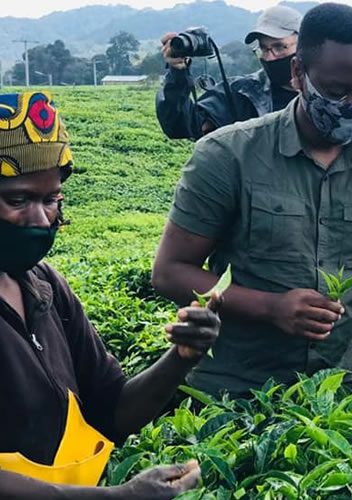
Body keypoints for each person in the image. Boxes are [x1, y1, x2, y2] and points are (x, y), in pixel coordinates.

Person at [151, 3, 352, 398]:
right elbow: (170, 271)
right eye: (337, 91)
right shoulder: (227, 155)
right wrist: (269, 307)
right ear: (298, 74)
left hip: (336, 396)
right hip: (230, 393)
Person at [0, 91, 221, 497]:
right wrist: (115, 498)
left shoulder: (44, 286)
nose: (39, 219)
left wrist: (181, 358)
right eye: (17, 200)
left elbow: (111, 410)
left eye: (51, 200)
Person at [156, 5, 303, 139]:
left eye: (279, 47)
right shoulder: (243, 93)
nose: (270, 57)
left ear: (304, 45)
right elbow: (182, 125)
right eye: (264, 49)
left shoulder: (323, 91)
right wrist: (177, 74)